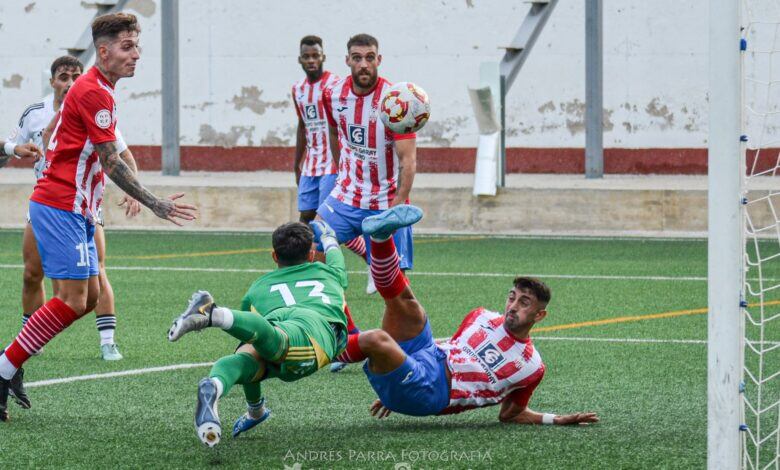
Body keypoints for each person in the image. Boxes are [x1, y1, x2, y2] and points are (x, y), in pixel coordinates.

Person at [0, 12, 197, 422]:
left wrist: (56, 150)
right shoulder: (94, 91)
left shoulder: (95, 89)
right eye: (127, 47)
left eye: (137, 46)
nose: (136, 55)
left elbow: (62, 128)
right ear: (103, 52)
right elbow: (111, 161)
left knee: (87, 299)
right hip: (61, 205)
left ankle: (9, 363)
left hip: (77, 208)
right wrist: (154, 202)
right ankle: (5, 368)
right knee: (69, 297)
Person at [336, 205, 599, 425]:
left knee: (376, 340)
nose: (513, 306)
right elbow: (451, 349)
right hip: (426, 357)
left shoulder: (532, 366)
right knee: (407, 306)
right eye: (512, 297)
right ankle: (381, 238)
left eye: (524, 302)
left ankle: (329, 347)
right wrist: (396, 371)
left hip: (430, 393)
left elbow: (511, 414)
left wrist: (556, 419)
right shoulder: (481, 316)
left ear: (539, 315)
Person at [5, 55, 140, 363]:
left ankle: (107, 341)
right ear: (52, 81)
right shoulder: (36, 113)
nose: (69, 83)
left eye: (75, 76)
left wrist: (135, 189)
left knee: (94, 278)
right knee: (31, 273)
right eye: (63, 77)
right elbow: (11, 147)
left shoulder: (91, 104)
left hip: (85, 207)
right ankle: (29, 342)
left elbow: (120, 152)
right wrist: (11, 151)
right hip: (51, 201)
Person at [167, 221, 349, 447]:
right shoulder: (329, 272)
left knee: (246, 353)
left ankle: (216, 385)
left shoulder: (257, 288)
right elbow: (334, 254)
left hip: (275, 328)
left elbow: (248, 342)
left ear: (274, 256)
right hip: (314, 328)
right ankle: (213, 314)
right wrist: (329, 236)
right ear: (311, 254)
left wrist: (254, 409)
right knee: (273, 339)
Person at [318, 33, 418, 297]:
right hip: (347, 197)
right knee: (311, 247)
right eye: (357, 58)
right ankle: (325, 325)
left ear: (379, 59)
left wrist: (397, 207)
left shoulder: (395, 101)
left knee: (397, 289)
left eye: (370, 58)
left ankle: (405, 339)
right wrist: (342, 172)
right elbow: (332, 129)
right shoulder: (332, 94)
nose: (364, 64)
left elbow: (408, 160)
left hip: (386, 200)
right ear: (348, 60)